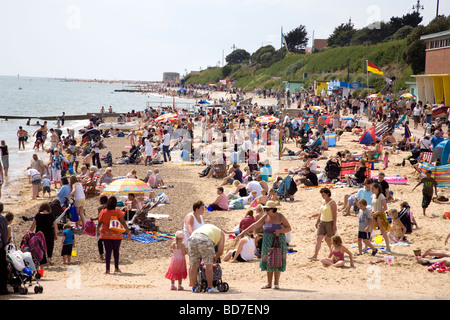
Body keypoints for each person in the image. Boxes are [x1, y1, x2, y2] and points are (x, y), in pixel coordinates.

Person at [238, 201, 291, 290]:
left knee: (277, 260)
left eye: (267, 209)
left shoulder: (280, 217)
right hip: (267, 241)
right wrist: (244, 232)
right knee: (268, 261)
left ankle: (276, 283)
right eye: (265, 209)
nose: (265, 210)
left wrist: (279, 231)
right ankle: (269, 283)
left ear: (273, 209)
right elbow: (255, 225)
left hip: (277, 240)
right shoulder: (265, 217)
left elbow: (289, 228)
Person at [96, 196, 131, 274]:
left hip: (105, 234)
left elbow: (100, 222)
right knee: (116, 251)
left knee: (107, 251)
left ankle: (107, 270)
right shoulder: (118, 211)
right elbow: (123, 222)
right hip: (116, 234)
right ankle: (116, 268)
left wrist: (97, 230)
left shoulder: (103, 211)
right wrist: (128, 231)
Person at [188, 224, 225, 293]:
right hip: (205, 239)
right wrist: (215, 258)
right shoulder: (221, 233)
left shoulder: (206, 227)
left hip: (192, 238)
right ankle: (210, 287)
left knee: (194, 265)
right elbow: (220, 251)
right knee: (208, 264)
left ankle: (194, 287)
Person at [309, 188, 337, 260]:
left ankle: (332, 252)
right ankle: (315, 255)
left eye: (324, 194)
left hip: (329, 223)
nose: (322, 196)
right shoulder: (323, 202)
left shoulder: (332, 203)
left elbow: (335, 215)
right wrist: (317, 221)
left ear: (328, 194)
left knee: (328, 239)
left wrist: (334, 225)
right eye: (322, 195)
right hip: (322, 222)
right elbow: (321, 213)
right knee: (318, 238)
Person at [371, 182, 391, 253]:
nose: (372, 190)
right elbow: (373, 205)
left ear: (377, 189)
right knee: (370, 230)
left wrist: (377, 212)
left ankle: (388, 247)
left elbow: (385, 207)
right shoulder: (373, 195)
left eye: (373, 189)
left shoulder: (381, 196)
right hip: (374, 214)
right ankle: (367, 247)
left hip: (380, 215)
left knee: (383, 231)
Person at [0, 202, 9, 294]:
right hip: (0, 245)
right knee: (2, 267)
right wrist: (5, 244)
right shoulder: (3, 219)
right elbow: (4, 234)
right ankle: (3, 288)